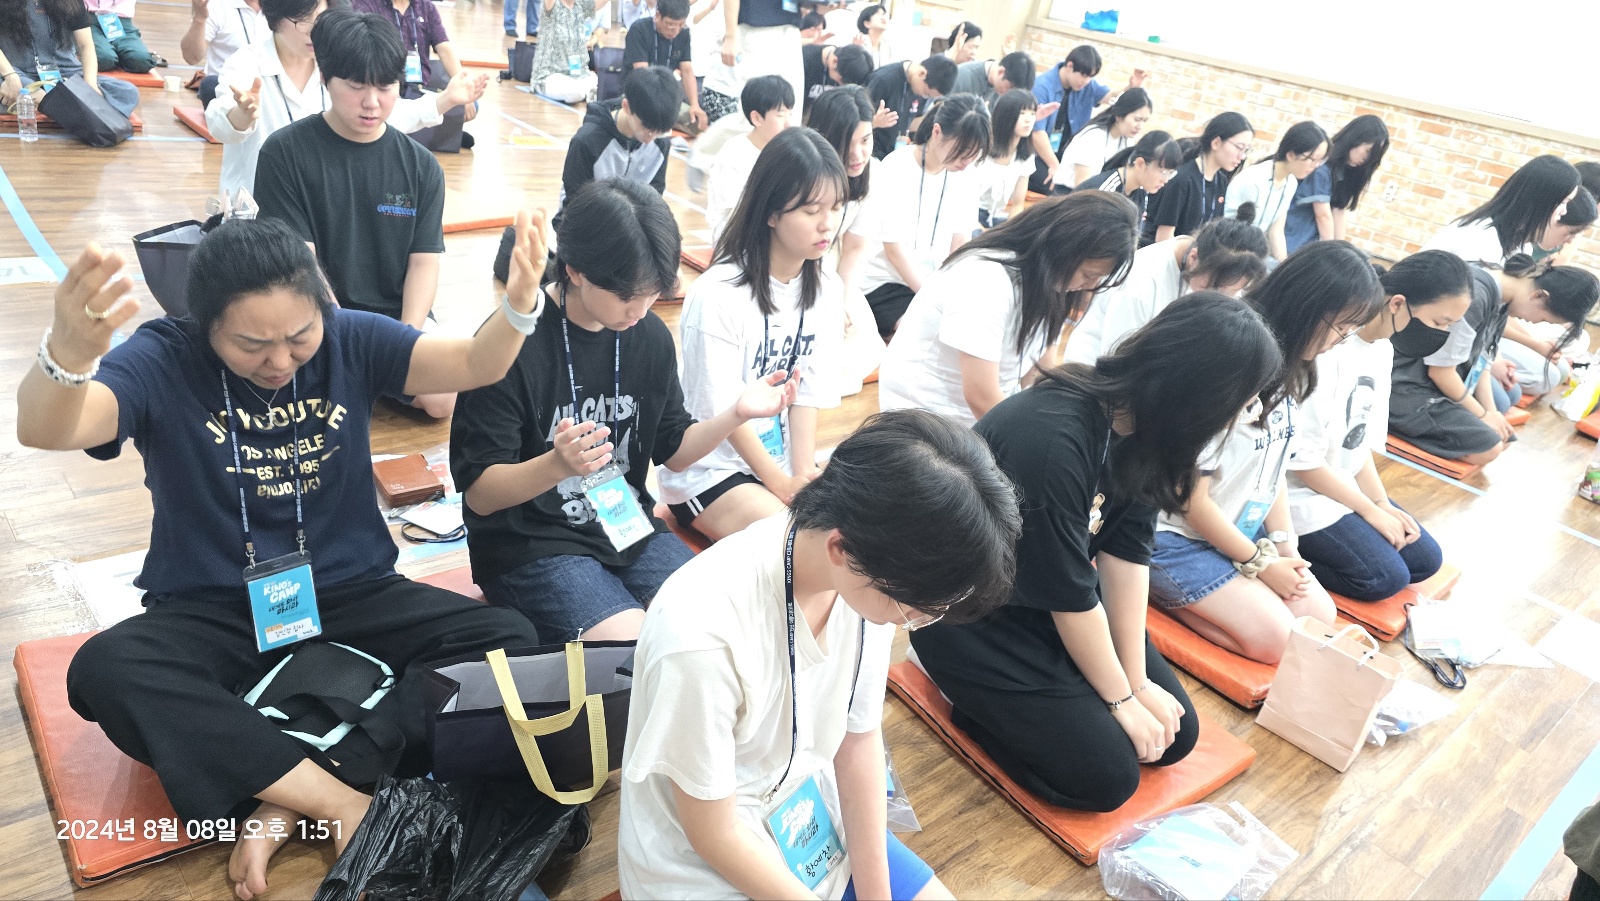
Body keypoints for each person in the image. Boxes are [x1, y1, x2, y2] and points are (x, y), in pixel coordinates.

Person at [19, 214, 551, 901]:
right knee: (107, 668)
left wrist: (519, 305)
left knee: (508, 637)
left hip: (353, 592)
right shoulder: (163, 357)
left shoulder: (350, 337)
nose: (279, 360)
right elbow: (48, 426)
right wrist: (66, 354)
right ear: (203, 323)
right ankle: (336, 798)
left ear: (321, 307)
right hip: (216, 609)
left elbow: (477, 363)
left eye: (300, 337)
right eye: (251, 344)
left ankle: (285, 792)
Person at [619, 408, 1022, 900]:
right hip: (700, 866)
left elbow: (858, 741)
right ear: (841, 549)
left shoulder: (872, 582)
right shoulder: (701, 636)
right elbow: (714, 835)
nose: (912, 619)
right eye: (914, 608)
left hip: (805, 815)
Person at [909, 293, 1283, 812]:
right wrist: (1121, 699)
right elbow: (1069, 596)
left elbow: (1127, 558)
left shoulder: (1150, 431)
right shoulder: (1052, 437)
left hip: (1055, 602)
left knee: (1175, 738)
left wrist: (1136, 682)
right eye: (1241, 401)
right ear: (1199, 392)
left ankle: (1055, 706)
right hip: (973, 619)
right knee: (1106, 779)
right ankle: (969, 702)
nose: (1242, 416)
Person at [453, 181, 799, 644]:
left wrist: (735, 414)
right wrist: (556, 465)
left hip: (625, 525)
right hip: (530, 543)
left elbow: (674, 451)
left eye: (653, 292)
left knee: (720, 628)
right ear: (575, 270)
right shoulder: (509, 346)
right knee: (639, 650)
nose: (640, 309)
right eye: (626, 295)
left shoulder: (648, 336)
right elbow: (480, 495)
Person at [1149, 241, 1385, 665]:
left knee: (1318, 614)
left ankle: (1219, 598)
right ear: (1309, 307)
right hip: (1174, 534)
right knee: (1277, 640)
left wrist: (1286, 548)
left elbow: (1272, 472)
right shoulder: (1234, 357)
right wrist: (1259, 563)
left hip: (1234, 528)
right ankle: (1147, 590)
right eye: (1341, 327)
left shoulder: (1294, 366)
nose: (1341, 341)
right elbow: (1189, 501)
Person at [252, 9, 456, 418]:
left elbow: (423, 263)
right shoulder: (284, 152)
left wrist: (403, 340)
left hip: (393, 317)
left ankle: (366, 376)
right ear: (325, 77)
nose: (371, 102)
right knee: (276, 385)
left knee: (442, 399)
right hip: (313, 311)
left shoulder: (422, 166)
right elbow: (301, 265)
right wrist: (344, 339)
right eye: (355, 85)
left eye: (385, 86)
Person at [659, 128, 849, 540]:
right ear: (771, 213)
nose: (828, 224)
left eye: (836, 207)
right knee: (798, 544)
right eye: (811, 210)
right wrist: (781, 486)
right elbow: (721, 411)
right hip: (712, 470)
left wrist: (802, 476)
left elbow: (806, 396)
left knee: (855, 534)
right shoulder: (718, 294)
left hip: (778, 463)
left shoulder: (827, 289)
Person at [1288, 252, 1465, 602]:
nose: (1442, 333)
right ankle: (1274, 556)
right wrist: (1368, 510)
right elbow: (1303, 462)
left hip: (1340, 485)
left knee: (1424, 560)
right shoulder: (1328, 347)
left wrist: (1381, 502)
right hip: (1300, 490)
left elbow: (1358, 446)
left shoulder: (1382, 350)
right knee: (1384, 577)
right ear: (1397, 303)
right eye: (1440, 322)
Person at [879, 190, 1138, 427]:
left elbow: (1042, 369)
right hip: (926, 415)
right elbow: (979, 395)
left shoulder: (1053, 283)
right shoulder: (985, 278)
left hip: (978, 411)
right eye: (1089, 275)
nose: (1089, 286)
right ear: (1065, 247)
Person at [207, 0, 479, 197]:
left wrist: (446, 99)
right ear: (275, 16)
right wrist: (241, 117)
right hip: (256, 209)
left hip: (321, 205)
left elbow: (381, 113)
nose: (313, 30)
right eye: (302, 20)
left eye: (321, 19)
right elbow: (219, 125)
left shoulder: (335, 61)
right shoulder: (247, 63)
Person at [1389, 254, 1598, 465]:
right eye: (1543, 319)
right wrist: (1483, 415)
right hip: (1404, 383)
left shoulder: (1501, 298)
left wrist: (1491, 412)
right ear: (1539, 296)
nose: (1534, 322)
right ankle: (1383, 416)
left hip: (1428, 381)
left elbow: (1482, 361)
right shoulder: (1475, 297)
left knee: (1501, 436)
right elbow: (1440, 372)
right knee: (1488, 447)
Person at [857, 94, 989, 337]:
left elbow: (960, 244)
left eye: (974, 154)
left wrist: (952, 292)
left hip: (934, 282)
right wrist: (934, 298)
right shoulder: (897, 167)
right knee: (927, 331)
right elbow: (894, 251)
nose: (966, 162)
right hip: (885, 282)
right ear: (937, 132)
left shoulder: (967, 176)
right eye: (962, 151)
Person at [1064, 217, 1267, 365]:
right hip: (1097, 371)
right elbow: (1118, 359)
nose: (1220, 299)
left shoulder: (1212, 262)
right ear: (1193, 257)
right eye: (1214, 288)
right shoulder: (1142, 282)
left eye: (1232, 292)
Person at [806, 84, 886, 395]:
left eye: (865, 140)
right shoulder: (806, 171)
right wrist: (826, 300)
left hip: (832, 264)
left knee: (857, 342)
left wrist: (843, 297)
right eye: (846, 143)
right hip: (795, 264)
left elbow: (855, 247)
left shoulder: (872, 174)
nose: (858, 154)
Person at [556, 65, 681, 227]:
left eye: (660, 131)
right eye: (646, 127)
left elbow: (654, 199)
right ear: (626, 107)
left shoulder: (660, 143)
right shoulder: (587, 141)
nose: (651, 137)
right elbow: (574, 204)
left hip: (630, 228)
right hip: (585, 225)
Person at [351, 0, 483, 147]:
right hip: (385, 88)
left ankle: (423, 135)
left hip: (419, 88)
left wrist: (463, 86)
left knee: (469, 103)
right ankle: (440, 135)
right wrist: (388, 88)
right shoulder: (367, 5)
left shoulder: (426, 7)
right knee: (386, 108)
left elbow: (445, 49)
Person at [1424, 155, 1581, 266]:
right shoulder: (1482, 239)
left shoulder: (1521, 247)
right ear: (1541, 201)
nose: (1564, 212)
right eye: (1563, 202)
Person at [1029, 44, 1146, 192]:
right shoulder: (1042, 87)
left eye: (1091, 77)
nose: (1086, 81)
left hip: (1064, 153)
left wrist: (1130, 87)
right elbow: (1037, 133)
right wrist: (1054, 166)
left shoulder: (1087, 85)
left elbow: (1110, 97)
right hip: (1039, 155)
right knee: (1049, 184)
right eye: (1084, 76)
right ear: (1069, 66)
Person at [0, 0, 140, 118]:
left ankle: (48, 104)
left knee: (127, 92)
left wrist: (90, 84)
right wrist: (10, 76)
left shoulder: (70, 2)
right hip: (20, 73)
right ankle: (68, 107)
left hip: (65, 74)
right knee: (7, 84)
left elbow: (86, 46)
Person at [707, 74, 793, 243]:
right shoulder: (734, 153)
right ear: (756, 118)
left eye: (790, 114)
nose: (788, 123)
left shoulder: (785, 151)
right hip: (736, 239)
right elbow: (734, 214)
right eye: (780, 115)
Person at [1224, 121, 1328, 260]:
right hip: (1230, 251)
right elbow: (1234, 229)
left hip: (1253, 254)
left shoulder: (1290, 183)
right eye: (1313, 159)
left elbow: (1276, 229)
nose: (1315, 166)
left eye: (1320, 161)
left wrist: (1283, 265)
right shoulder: (1254, 180)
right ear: (1291, 155)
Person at [1145, 111, 1252, 245]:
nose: (1242, 156)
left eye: (1246, 150)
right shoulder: (1182, 179)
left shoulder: (1221, 180)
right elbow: (1163, 237)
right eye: (1239, 147)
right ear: (1216, 143)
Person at [1284, 115, 1388, 253]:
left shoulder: (1346, 173)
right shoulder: (1322, 168)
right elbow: (1323, 216)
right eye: (1368, 151)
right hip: (1291, 240)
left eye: (1374, 155)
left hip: (1306, 243)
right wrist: (1332, 253)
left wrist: (1341, 251)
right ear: (1355, 139)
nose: (1367, 158)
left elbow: (1339, 212)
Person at [1074, 129, 1183, 236]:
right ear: (1140, 164)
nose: (1165, 180)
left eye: (1171, 173)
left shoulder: (1141, 191)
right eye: (1163, 172)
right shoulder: (1104, 192)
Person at [623, 0, 709, 130]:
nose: (675, 31)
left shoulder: (683, 33)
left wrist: (695, 105)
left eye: (680, 25)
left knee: (696, 124)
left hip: (665, 96)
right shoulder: (639, 29)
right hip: (638, 95)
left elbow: (687, 71)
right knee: (650, 122)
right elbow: (642, 75)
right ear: (658, 15)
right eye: (670, 24)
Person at [717, 0, 806, 126]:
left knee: (792, 114)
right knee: (756, 111)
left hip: (791, 27)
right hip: (758, 30)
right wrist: (730, 36)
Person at [1057, 87, 1150, 190]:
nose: (1140, 126)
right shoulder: (1093, 137)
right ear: (1119, 116)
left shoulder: (1128, 141)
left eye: (1144, 121)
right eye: (1137, 119)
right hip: (1070, 193)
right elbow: (1081, 186)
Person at [864, 53, 955, 159]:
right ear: (921, 73)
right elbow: (856, 121)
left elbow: (912, 122)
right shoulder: (883, 80)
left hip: (898, 152)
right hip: (872, 153)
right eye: (926, 94)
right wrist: (874, 122)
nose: (925, 97)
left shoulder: (926, 89)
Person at [181, 0, 266, 106]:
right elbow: (191, 58)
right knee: (210, 84)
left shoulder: (280, 6)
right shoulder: (215, 5)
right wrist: (199, 18)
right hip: (228, 90)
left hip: (270, 87)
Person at [975, 88, 1036, 228]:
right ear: (1006, 115)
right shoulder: (981, 148)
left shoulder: (1025, 156)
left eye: (1032, 113)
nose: (1028, 119)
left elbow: (1018, 204)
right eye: (1022, 113)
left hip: (996, 217)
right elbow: (962, 201)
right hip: (971, 215)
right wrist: (983, 232)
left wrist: (1007, 232)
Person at [530, 0, 609, 103]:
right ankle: (588, 92)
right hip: (550, 76)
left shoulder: (580, 7)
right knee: (574, 91)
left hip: (579, 75)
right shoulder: (551, 6)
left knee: (606, 84)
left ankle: (587, 91)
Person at [85, 0, 164, 73]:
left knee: (141, 61)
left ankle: (118, 56)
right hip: (88, 20)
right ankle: (112, 55)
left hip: (121, 22)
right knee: (104, 59)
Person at [950, 48, 1035, 108]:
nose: (1008, 94)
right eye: (1009, 88)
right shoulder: (961, 77)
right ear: (1001, 72)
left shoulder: (1001, 90)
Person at [800, 40, 870, 104]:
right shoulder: (803, 61)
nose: (842, 85)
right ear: (834, 61)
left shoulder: (847, 65)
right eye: (841, 81)